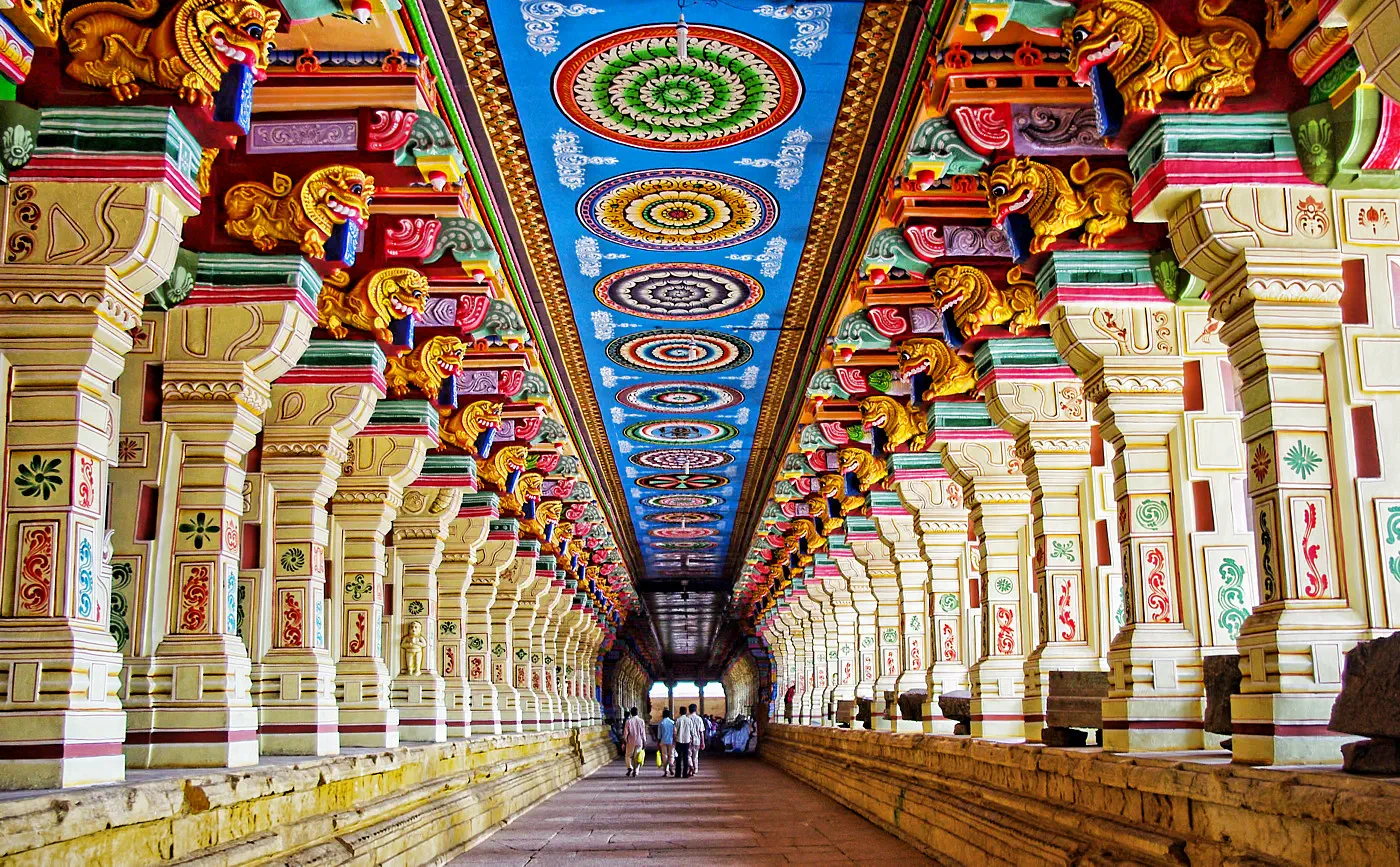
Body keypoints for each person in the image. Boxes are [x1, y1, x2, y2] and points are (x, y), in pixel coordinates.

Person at [623, 706, 647, 777]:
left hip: (631, 741)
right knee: (637, 757)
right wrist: (644, 741)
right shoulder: (641, 721)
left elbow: (626, 732)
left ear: (631, 713)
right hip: (639, 741)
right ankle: (636, 771)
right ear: (637, 712)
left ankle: (629, 767)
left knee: (628, 756)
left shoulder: (628, 721)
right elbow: (643, 732)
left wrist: (624, 740)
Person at [673, 705, 692, 779]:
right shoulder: (689, 720)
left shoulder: (677, 720)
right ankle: (685, 774)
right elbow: (691, 731)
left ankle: (678, 773)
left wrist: (674, 739)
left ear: (680, 712)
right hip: (687, 740)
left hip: (679, 740)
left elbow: (675, 731)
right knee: (685, 757)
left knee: (678, 757)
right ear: (686, 712)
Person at [657, 707, 675, 776]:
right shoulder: (672, 722)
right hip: (671, 741)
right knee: (671, 754)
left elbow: (659, 734)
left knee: (664, 755)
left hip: (663, 741)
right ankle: (671, 763)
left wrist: (658, 742)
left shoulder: (661, 723)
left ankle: (666, 771)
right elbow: (674, 732)